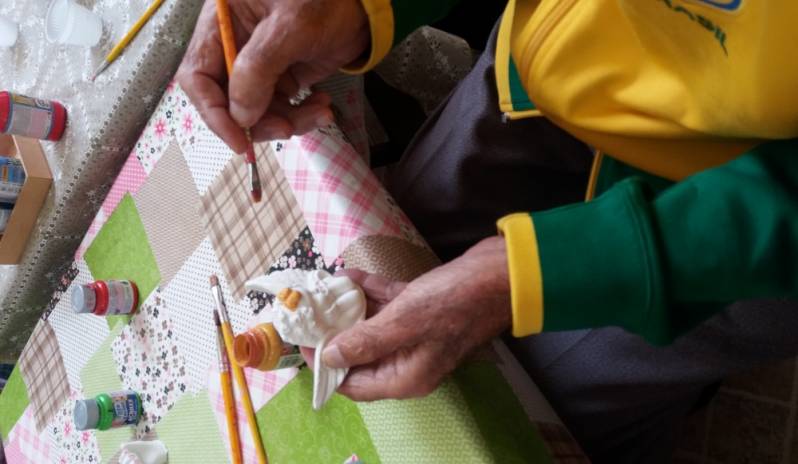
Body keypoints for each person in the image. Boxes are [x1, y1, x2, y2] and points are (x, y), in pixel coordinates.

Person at [177, 1, 798, 461]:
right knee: (410, 226)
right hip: (540, 71)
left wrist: (525, 274)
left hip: (742, 222)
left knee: (558, 402)